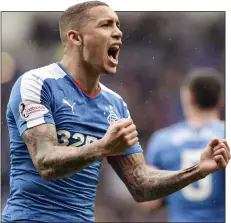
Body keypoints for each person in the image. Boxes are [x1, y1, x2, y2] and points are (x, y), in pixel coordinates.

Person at [2, 2, 230, 222]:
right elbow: (45, 161)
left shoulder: (114, 103)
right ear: (75, 38)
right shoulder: (37, 83)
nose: (118, 33)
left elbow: (141, 185)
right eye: (106, 25)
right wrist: (102, 147)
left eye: (118, 25)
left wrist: (198, 169)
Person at [143, 69, 226, 222]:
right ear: (220, 101)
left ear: (189, 99)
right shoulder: (226, 135)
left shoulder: (163, 140)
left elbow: (150, 201)